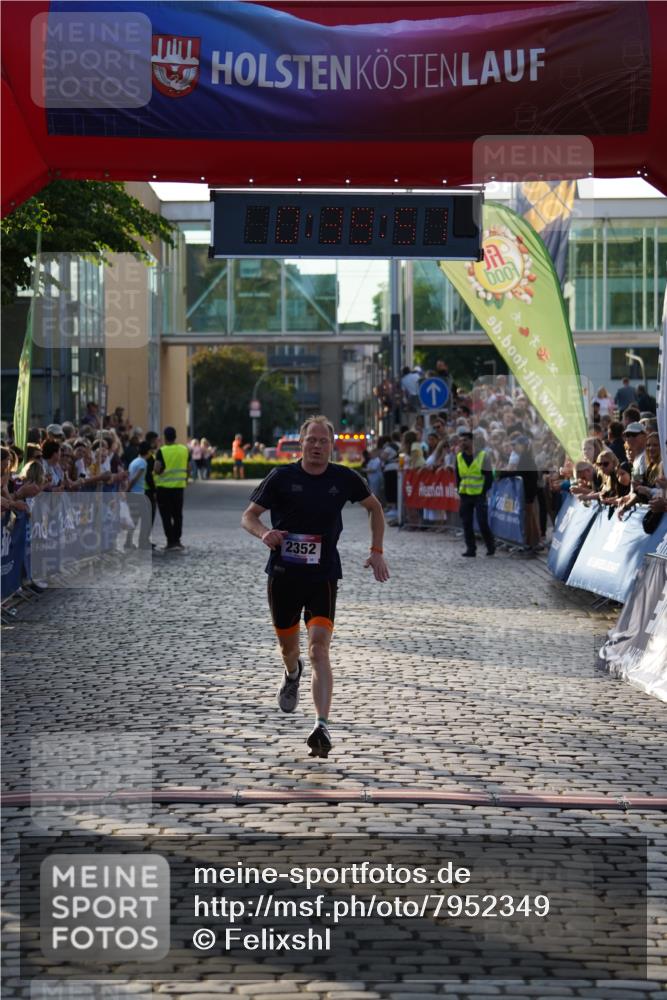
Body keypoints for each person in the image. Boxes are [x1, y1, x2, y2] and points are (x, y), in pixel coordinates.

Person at [241, 415, 389, 759]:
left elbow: (375, 508)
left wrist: (377, 551)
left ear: (331, 446)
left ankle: (322, 725)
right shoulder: (281, 477)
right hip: (283, 575)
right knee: (289, 650)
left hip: (323, 575)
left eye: (324, 441)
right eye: (312, 440)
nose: (318, 446)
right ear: (301, 443)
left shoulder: (343, 478)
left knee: (319, 650)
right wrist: (264, 533)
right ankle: (291, 674)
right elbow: (249, 515)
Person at [455, 430, 495, 557]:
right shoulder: (459, 457)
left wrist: (483, 491)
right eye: (460, 441)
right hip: (465, 494)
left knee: (482, 522)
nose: (462, 443)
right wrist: (459, 491)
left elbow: (489, 476)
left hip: (479, 495)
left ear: (472, 442)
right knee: (466, 523)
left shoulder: (483, 456)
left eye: (465, 440)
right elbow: (458, 476)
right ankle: (471, 549)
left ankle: (490, 545)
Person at [154, 426, 189, 550]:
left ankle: (170, 541)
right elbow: (188, 467)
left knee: (166, 516)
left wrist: (156, 473)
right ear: (175, 436)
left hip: (163, 488)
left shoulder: (161, 451)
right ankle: (177, 540)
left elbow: (157, 468)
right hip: (179, 488)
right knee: (177, 515)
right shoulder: (184, 450)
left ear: (165, 437)